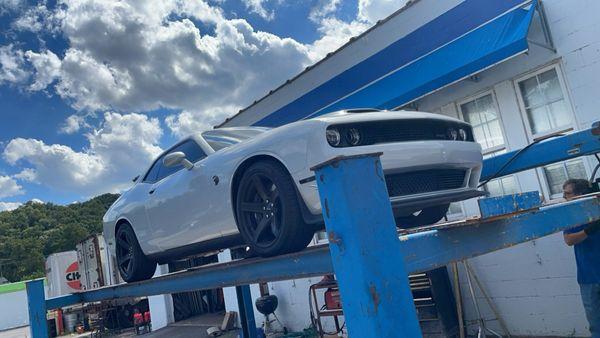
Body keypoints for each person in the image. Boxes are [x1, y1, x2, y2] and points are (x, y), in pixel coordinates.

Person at [562, 179, 600, 338]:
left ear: (581, 194)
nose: (564, 197)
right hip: (588, 278)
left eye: (568, 193)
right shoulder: (570, 215)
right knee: (596, 326)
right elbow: (569, 240)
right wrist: (590, 230)